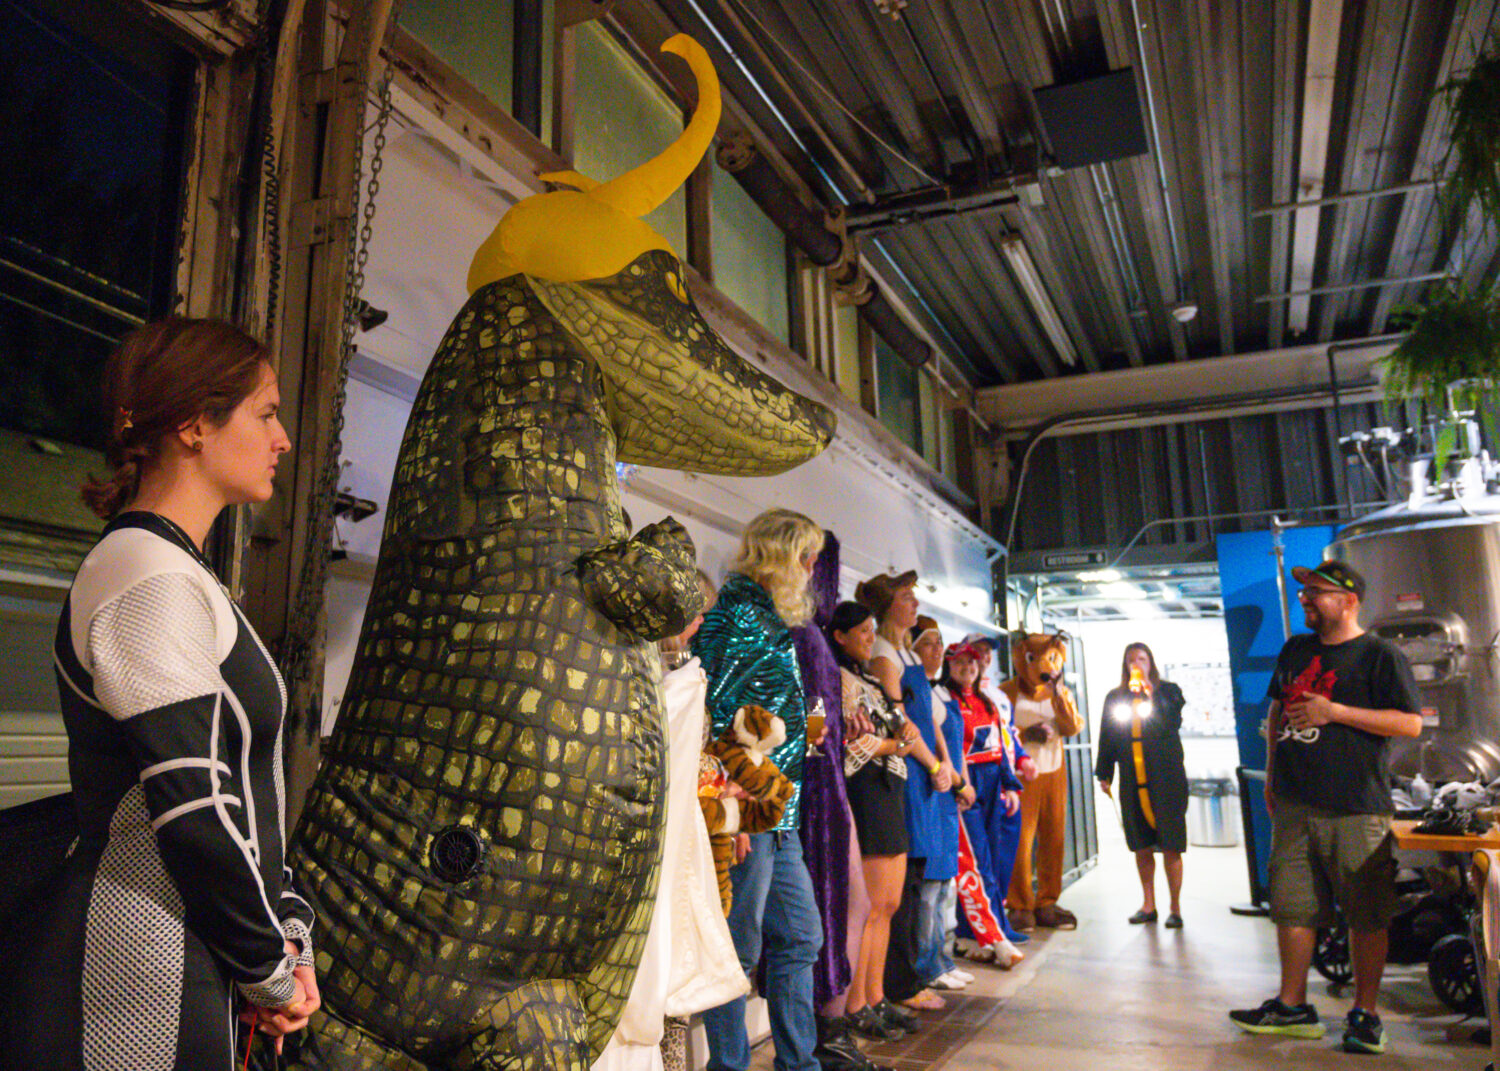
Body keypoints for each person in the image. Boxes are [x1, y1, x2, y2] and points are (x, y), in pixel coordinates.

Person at [15, 318, 318, 1071]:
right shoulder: (146, 573)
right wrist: (269, 967)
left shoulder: (174, 571)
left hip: (188, 951)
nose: (282, 440)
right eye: (266, 413)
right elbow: (194, 804)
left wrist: (288, 933)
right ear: (193, 424)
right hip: (141, 970)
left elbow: (241, 794)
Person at [1229, 560, 1422, 1055]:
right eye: (1304, 593)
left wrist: (1333, 711)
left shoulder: (1379, 655)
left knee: (1365, 914)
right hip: (1295, 804)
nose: (1305, 600)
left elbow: (1410, 724)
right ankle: (1292, 1006)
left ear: (1349, 601)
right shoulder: (1296, 649)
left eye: (1315, 592)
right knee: (1291, 907)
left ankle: (1365, 1014)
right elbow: (1277, 710)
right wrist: (1272, 774)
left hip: (1356, 806)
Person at [694, 510, 827, 1071]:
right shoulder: (741, 615)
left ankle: (799, 1064)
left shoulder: (763, 616)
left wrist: (801, 734)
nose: (812, 567)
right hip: (750, 812)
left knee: (799, 936)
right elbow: (714, 711)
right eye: (805, 556)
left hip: (779, 810)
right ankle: (730, 1065)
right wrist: (730, 804)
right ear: (780, 557)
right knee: (738, 950)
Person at [601, 570, 747, 1071]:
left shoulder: (676, 670)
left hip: (689, 827)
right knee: (663, 958)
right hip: (664, 833)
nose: (702, 622)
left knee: (674, 975)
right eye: (697, 613)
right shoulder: (661, 677)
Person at [856, 572, 951, 1014]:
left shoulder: (906, 652)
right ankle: (899, 982)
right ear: (887, 606)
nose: (915, 604)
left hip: (924, 771)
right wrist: (933, 764)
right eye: (906, 597)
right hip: (906, 773)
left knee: (916, 881)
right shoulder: (883, 655)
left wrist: (945, 764)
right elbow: (901, 724)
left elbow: (928, 720)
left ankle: (908, 976)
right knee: (904, 886)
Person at [826, 600, 917, 1041]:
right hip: (865, 790)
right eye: (861, 631)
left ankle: (877, 995)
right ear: (840, 636)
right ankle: (857, 1002)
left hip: (891, 787)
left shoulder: (873, 682)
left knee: (890, 904)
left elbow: (895, 730)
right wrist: (892, 745)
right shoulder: (838, 680)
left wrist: (903, 735)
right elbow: (849, 745)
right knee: (871, 906)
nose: (869, 638)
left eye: (872, 630)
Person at [943, 641, 1025, 969]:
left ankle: (979, 934)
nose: (968, 668)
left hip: (992, 781)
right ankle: (989, 935)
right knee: (976, 863)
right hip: (968, 783)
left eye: (972, 663)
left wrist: (1010, 785)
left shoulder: (987, 700)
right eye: (960, 663)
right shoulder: (946, 699)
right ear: (949, 666)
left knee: (990, 856)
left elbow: (1001, 747)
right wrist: (959, 786)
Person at [1095, 643, 1189, 927]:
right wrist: (1104, 772)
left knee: (1171, 844)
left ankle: (1175, 908)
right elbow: (1108, 734)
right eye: (1131, 660)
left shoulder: (1168, 692)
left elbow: (1172, 722)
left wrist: (1150, 693)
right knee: (1141, 845)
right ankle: (1149, 905)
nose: (1136, 664)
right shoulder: (1116, 697)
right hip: (1132, 780)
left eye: (1142, 659)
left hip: (1166, 778)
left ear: (1151, 662)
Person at [909, 617, 972, 993]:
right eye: (928, 643)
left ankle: (942, 959)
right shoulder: (920, 693)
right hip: (932, 794)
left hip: (948, 798)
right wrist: (953, 778)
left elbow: (954, 749)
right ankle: (927, 964)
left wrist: (962, 782)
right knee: (928, 892)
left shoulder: (943, 693)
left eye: (939, 643)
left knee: (945, 886)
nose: (937, 650)